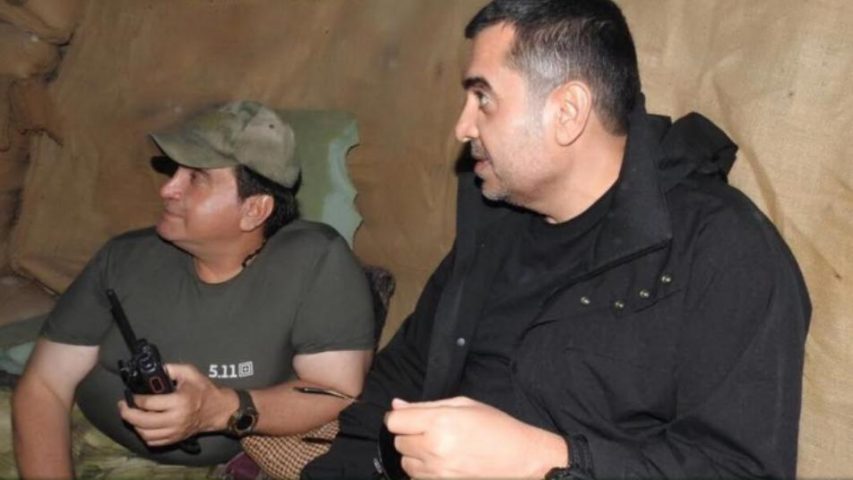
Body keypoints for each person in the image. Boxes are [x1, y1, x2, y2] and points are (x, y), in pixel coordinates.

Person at [304, 1, 811, 479]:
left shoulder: (723, 250)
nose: (462, 127)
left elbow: (739, 469)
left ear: (567, 111)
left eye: (483, 99)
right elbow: (399, 380)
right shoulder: (495, 226)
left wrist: (544, 461)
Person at [12, 101, 376, 478]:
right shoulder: (124, 258)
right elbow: (45, 385)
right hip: (75, 432)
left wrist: (221, 410)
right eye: (175, 172)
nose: (167, 188)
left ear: (254, 209)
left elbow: (333, 392)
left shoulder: (315, 262)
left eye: (196, 177)